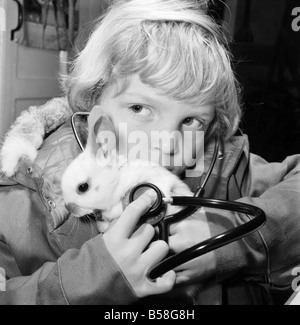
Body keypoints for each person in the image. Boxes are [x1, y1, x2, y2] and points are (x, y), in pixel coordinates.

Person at [0, 0, 300, 305]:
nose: (167, 143)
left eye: (191, 120)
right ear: (94, 101)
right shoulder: (26, 201)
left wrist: (230, 238)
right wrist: (92, 276)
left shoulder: (217, 164)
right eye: (140, 108)